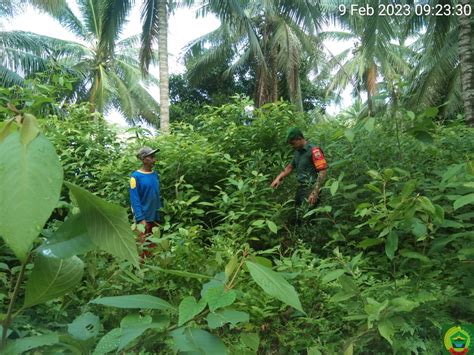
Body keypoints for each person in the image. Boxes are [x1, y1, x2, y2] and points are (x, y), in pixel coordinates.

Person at [271, 128, 328, 207]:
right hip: (301, 189)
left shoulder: (314, 150)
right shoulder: (297, 152)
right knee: (297, 215)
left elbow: (323, 171)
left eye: (293, 143)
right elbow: (290, 167)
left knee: (308, 217)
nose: (292, 146)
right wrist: (278, 178)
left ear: (299, 138)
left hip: (311, 188)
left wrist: (315, 191)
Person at [129, 146, 162, 257]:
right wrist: (140, 218)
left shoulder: (155, 174)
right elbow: (134, 199)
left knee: (154, 247)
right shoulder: (135, 177)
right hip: (143, 218)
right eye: (151, 157)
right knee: (142, 248)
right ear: (143, 159)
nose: (154, 159)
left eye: (154, 157)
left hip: (155, 217)